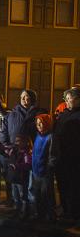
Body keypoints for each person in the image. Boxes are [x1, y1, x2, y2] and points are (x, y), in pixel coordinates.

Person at [0, 89, 47, 203]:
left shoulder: (39, 113)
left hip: (32, 154)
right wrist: (7, 147)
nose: (25, 99)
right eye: (23, 97)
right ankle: (18, 207)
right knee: (16, 182)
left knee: (30, 184)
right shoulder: (12, 114)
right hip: (15, 154)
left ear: (32, 99)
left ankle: (30, 209)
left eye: (27, 97)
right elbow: (3, 132)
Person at [49, 87, 80, 220]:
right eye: (66, 99)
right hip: (60, 158)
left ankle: (74, 214)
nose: (66, 102)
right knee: (62, 186)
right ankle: (66, 211)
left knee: (74, 188)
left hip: (74, 159)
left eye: (69, 99)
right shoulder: (63, 115)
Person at [30, 114, 54, 221]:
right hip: (35, 171)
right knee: (37, 195)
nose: (39, 125)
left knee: (46, 195)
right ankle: (39, 215)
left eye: (42, 123)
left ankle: (49, 216)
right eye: (37, 123)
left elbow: (52, 156)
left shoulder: (51, 137)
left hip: (45, 172)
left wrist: (48, 169)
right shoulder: (38, 135)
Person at [7, 134, 33, 219]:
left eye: (19, 141)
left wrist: (17, 166)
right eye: (16, 141)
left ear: (24, 142)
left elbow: (28, 164)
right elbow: (5, 152)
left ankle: (25, 212)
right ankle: (17, 211)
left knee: (23, 196)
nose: (16, 143)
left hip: (21, 178)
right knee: (15, 196)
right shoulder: (14, 150)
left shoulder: (25, 152)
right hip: (14, 178)